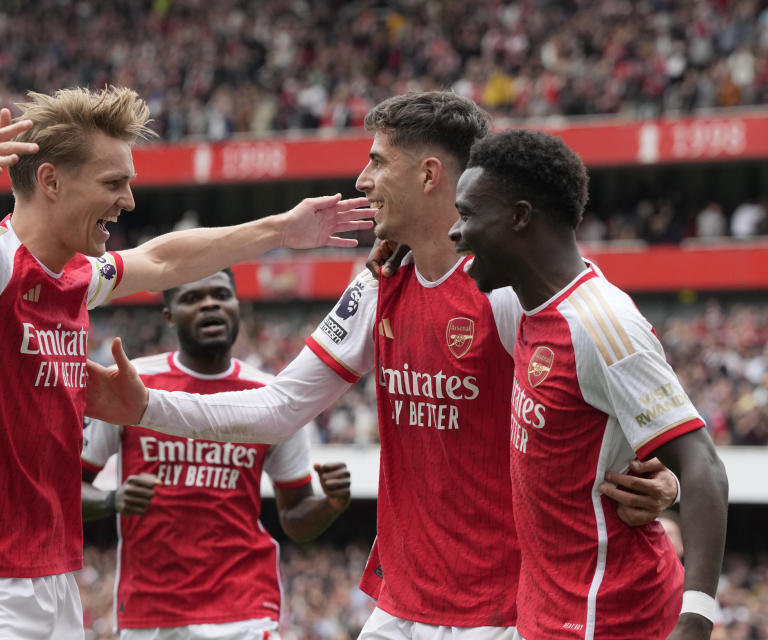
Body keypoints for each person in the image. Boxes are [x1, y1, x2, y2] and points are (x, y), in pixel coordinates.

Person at [85, 91, 678, 639]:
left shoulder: (506, 292)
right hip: (400, 603)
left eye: (377, 161)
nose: (363, 180)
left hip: (499, 609)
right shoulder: (377, 281)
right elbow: (280, 407)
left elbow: (603, 401)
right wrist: (144, 406)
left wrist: (656, 475)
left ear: (428, 175)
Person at [0, 86, 373, 639]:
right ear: (50, 180)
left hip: (51, 569)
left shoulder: (77, 276)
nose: (129, 201)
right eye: (113, 183)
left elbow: (163, 257)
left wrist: (282, 230)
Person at [449, 128, 729, 640]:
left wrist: (696, 621)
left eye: (467, 215)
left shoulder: (602, 325)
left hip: (610, 616)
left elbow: (704, 465)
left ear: (519, 216)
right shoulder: (528, 306)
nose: (455, 232)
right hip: (546, 609)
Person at [81, 269, 351, 639]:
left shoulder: (274, 397)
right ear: (168, 315)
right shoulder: (130, 384)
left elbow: (295, 517)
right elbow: (66, 489)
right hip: (152, 610)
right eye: (192, 298)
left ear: (238, 306)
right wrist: (112, 499)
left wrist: (331, 503)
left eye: (222, 295)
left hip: (244, 609)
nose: (210, 304)